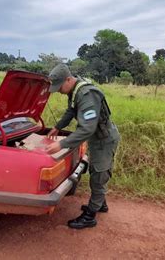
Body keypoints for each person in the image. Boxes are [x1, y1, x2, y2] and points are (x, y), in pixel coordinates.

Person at [45, 64, 120, 229]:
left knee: (99, 174)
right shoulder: (75, 91)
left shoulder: (87, 94)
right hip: (97, 138)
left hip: (104, 139)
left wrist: (62, 144)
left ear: (68, 79)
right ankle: (100, 204)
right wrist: (58, 127)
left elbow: (87, 128)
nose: (58, 91)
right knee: (95, 170)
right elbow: (71, 111)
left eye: (59, 87)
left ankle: (90, 216)